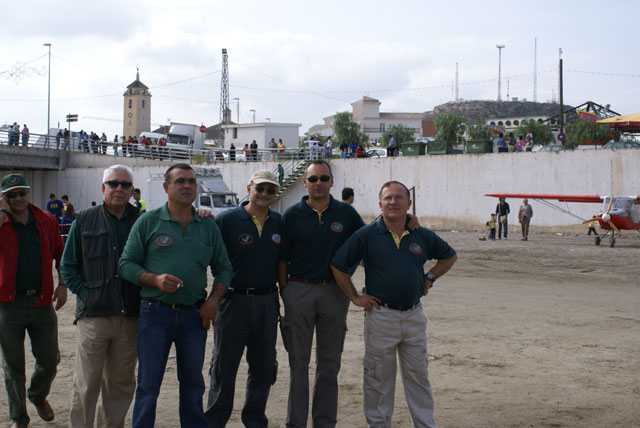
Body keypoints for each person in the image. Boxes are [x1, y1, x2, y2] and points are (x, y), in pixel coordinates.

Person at [330, 180, 457, 428]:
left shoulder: (421, 234)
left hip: (413, 317)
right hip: (381, 317)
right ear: (380, 204)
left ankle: (424, 424)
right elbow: (338, 265)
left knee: (418, 377)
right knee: (378, 379)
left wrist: (430, 277)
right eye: (388, 198)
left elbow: (449, 256)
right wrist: (355, 297)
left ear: (409, 204)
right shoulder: (367, 235)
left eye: (399, 197)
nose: (393, 202)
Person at [118, 163, 233, 428]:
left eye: (191, 182)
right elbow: (125, 264)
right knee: (148, 385)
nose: (187, 186)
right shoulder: (148, 221)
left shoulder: (207, 225)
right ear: (166, 187)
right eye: (180, 181)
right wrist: (154, 279)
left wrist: (213, 301)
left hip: (195, 316)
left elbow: (224, 267)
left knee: (194, 384)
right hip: (154, 313)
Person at [278, 160, 366, 428]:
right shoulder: (291, 215)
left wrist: (408, 219)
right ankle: (296, 423)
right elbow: (282, 260)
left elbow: (368, 240)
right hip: (299, 290)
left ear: (332, 182)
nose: (318, 183)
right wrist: (287, 293)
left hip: (334, 293)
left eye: (324, 178)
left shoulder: (346, 214)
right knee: (298, 364)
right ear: (304, 182)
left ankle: (325, 422)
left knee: (329, 365)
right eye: (313, 179)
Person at [60, 165, 142, 428]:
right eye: (113, 183)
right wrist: (86, 294)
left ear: (132, 190)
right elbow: (68, 266)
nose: (119, 189)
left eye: (125, 185)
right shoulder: (83, 219)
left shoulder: (143, 221)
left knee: (120, 385)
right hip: (94, 317)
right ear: (103, 187)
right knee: (86, 384)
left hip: (130, 316)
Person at [205, 170, 282, 427]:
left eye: (271, 190)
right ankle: (215, 420)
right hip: (233, 300)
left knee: (263, 367)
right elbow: (210, 257)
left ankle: (254, 420)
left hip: (267, 301)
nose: (264, 194)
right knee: (223, 367)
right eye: (260, 188)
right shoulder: (226, 221)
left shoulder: (279, 223)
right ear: (249, 188)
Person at [0, 173, 67, 428]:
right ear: (4, 198)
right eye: (11, 195)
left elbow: (62, 254)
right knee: (13, 365)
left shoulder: (46, 220)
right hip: (8, 305)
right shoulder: (2, 221)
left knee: (50, 359)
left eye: (21, 193)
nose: (18, 198)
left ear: (28, 193)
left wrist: (62, 284)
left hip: (41, 303)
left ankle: (38, 395)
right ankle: (19, 417)